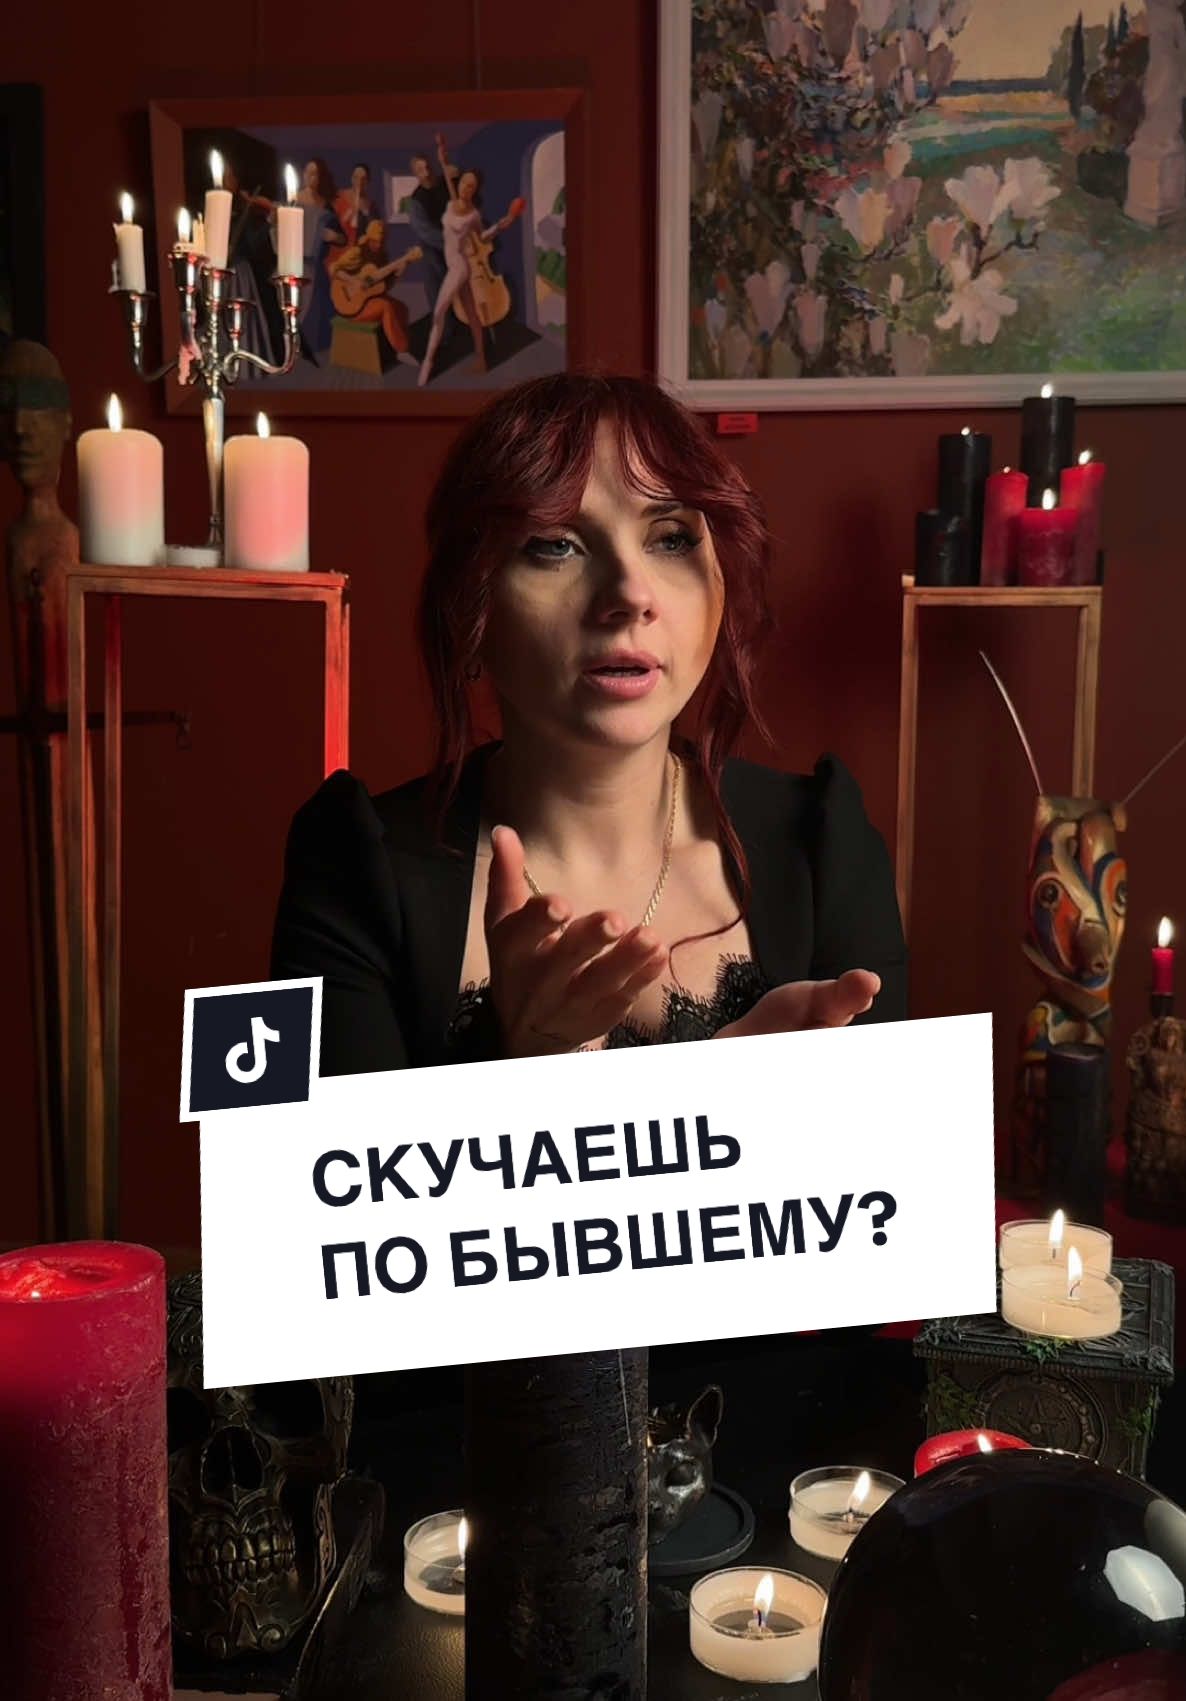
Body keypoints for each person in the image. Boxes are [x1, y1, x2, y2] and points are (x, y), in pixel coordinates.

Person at [270, 372, 907, 1079]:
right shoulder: (351, 866)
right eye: (556, 544)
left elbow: (901, 1147)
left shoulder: (822, 842)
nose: (631, 594)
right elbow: (295, 1150)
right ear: (468, 608)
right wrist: (517, 1055)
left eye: (671, 538)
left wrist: (744, 1097)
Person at [417, 133, 524, 387]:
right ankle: (481, 359)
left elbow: (481, 237)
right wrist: (442, 153)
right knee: (474, 315)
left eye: (471, 186)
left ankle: (427, 363)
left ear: (475, 191)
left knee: (438, 313)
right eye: (464, 183)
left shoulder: (474, 214)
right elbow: (445, 171)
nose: (465, 188)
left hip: (459, 267)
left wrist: (500, 225)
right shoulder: (452, 201)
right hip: (454, 264)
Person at [328, 220, 417, 363]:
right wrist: (353, 281)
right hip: (349, 305)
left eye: (381, 242)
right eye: (375, 241)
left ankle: (399, 341)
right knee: (386, 307)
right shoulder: (358, 252)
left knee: (401, 307)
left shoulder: (383, 256)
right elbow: (334, 268)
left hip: (367, 299)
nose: (378, 245)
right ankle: (402, 350)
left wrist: (398, 272)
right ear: (369, 238)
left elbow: (383, 287)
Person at [294, 158, 346, 359]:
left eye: (315, 173)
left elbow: (342, 238)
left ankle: (318, 348)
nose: (310, 177)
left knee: (320, 308)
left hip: (317, 265)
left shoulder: (325, 205)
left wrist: (333, 236)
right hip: (296, 264)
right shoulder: (294, 200)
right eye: (308, 172)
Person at [407, 149, 450, 305]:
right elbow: (425, 232)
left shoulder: (446, 185)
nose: (426, 173)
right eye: (420, 170)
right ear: (415, 174)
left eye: (428, 168)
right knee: (439, 293)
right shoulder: (416, 200)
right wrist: (450, 242)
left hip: (456, 244)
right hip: (434, 249)